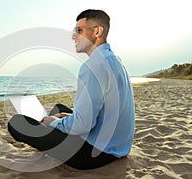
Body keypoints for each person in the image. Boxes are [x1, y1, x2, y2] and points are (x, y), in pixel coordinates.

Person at [8, 9, 135, 170]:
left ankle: (48, 126)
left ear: (97, 31)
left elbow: (83, 125)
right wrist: (66, 118)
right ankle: (51, 124)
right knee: (59, 109)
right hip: (118, 146)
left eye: (79, 30)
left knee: (17, 123)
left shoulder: (92, 67)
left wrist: (55, 123)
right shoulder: (115, 61)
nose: (73, 36)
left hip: (95, 154)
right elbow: (107, 107)